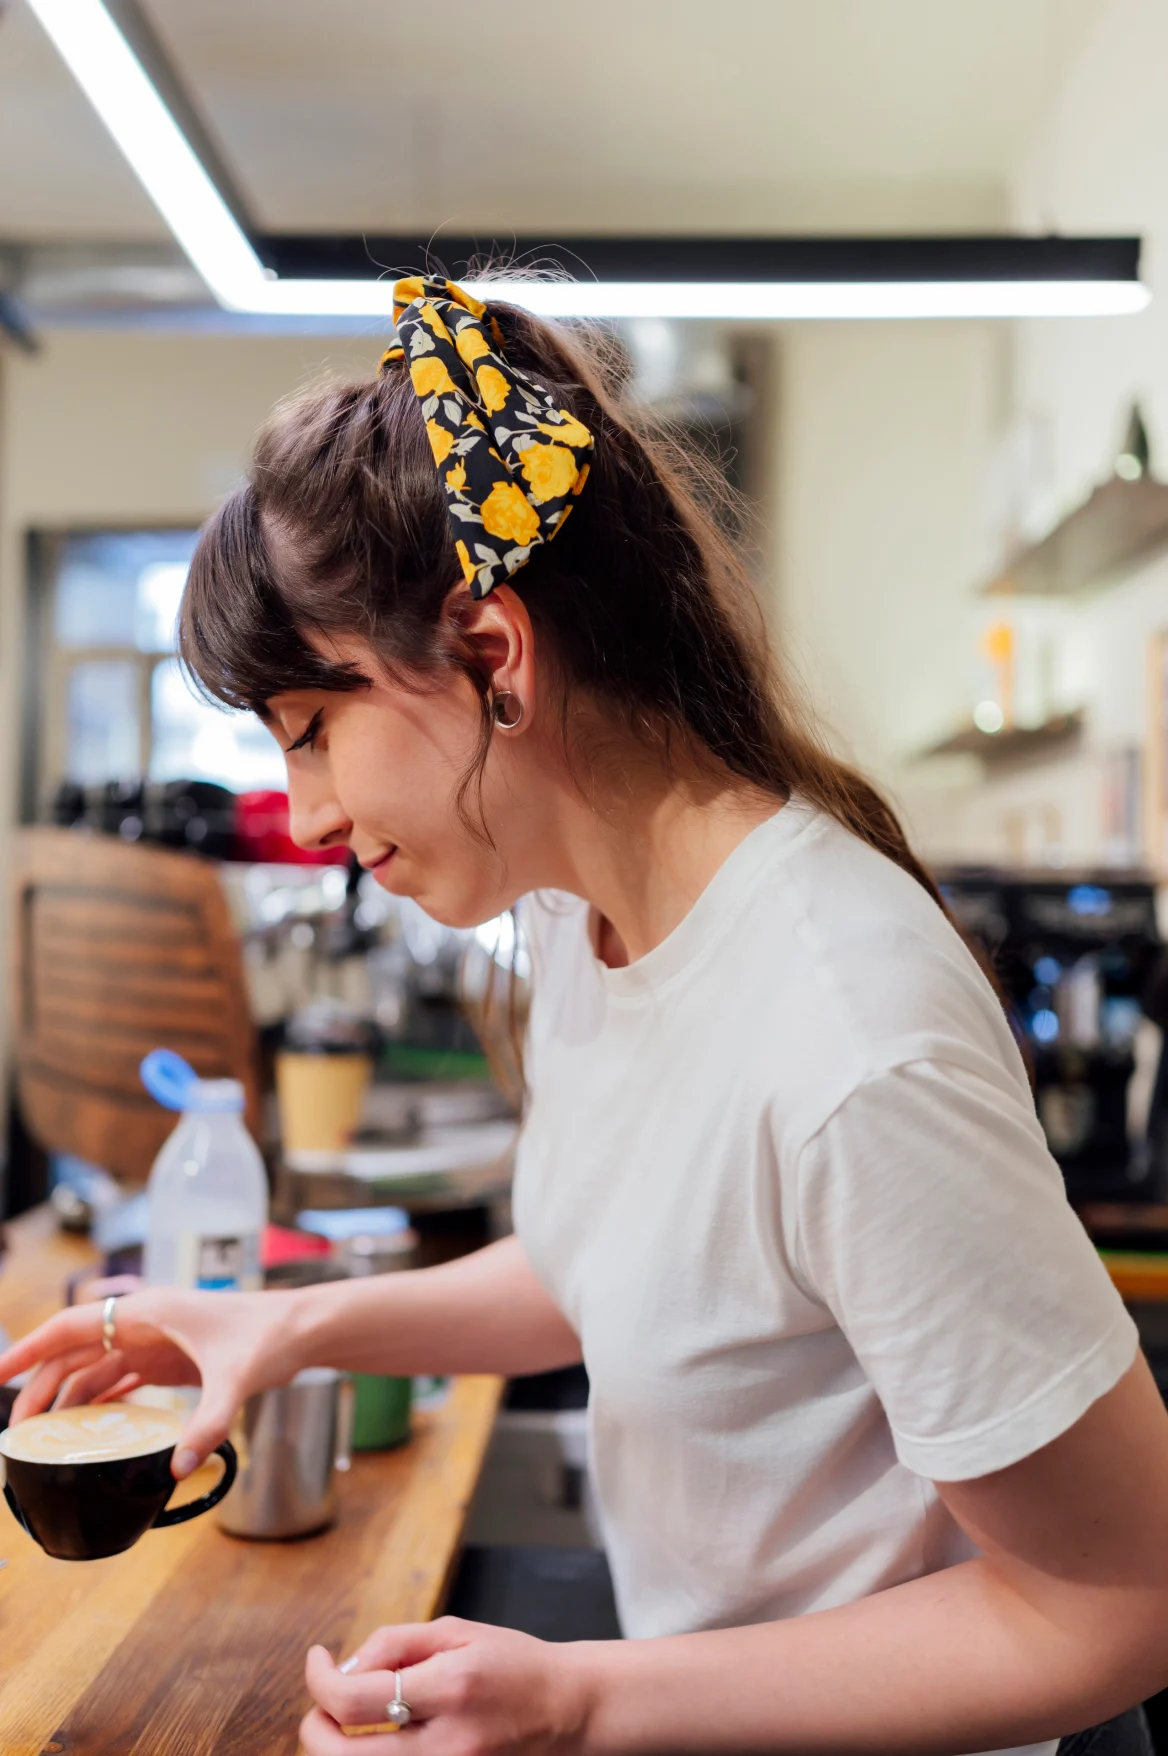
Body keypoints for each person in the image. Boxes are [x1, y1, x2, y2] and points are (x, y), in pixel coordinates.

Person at [3, 276, 1167, 1756]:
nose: (303, 815)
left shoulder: (849, 1038)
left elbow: (1116, 1602)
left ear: (493, 656)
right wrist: (276, 1329)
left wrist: (580, 1697)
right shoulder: (573, 910)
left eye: (312, 732)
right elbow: (606, 1265)